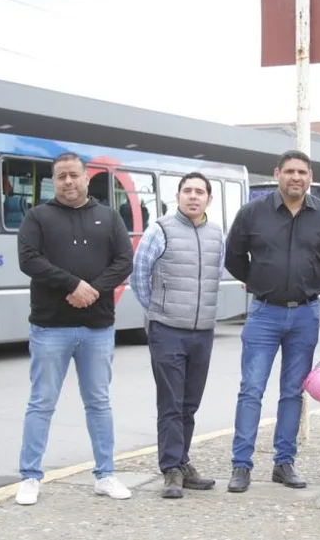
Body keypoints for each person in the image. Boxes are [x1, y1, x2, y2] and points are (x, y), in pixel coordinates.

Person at [13, 151, 135, 506]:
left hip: (97, 328)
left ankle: (106, 474)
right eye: (61, 176)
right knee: (41, 403)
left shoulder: (108, 218)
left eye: (74, 176)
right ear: (55, 181)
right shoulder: (38, 217)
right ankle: (30, 477)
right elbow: (29, 260)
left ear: (86, 178)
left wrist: (92, 289)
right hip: (50, 328)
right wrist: (71, 285)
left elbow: (123, 261)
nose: (68, 182)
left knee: (98, 402)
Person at [224, 150, 320, 492]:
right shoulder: (252, 213)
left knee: (293, 392)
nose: (296, 177)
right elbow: (234, 257)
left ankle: (284, 463)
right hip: (264, 312)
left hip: (306, 314)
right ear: (278, 174)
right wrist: (259, 280)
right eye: (289, 171)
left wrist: (311, 285)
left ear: (310, 176)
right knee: (251, 390)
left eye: (302, 172)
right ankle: (241, 465)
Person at [130, 172, 226, 499]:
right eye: (188, 191)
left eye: (200, 192)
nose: (194, 196)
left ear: (209, 200)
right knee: (170, 403)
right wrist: (158, 310)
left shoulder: (217, 234)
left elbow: (216, 274)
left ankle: (182, 462)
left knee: (190, 403)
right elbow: (139, 275)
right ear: (179, 196)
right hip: (167, 329)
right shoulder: (160, 230)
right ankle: (170, 468)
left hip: (203, 332)